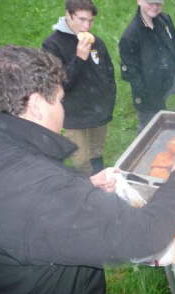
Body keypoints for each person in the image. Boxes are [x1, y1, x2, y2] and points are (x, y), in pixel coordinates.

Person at [0, 45, 175, 294]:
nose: (62, 109)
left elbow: (26, 209)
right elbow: (147, 233)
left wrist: (82, 188)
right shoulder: (40, 189)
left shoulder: (7, 151)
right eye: (58, 99)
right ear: (36, 105)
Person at [42, 0, 116, 175]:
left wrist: (108, 99)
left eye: (90, 21)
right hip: (73, 115)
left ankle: (101, 186)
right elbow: (59, 84)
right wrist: (79, 58)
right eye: (82, 19)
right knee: (81, 161)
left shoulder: (96, 42)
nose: (86, 26)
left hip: (98, 111)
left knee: (97, 153)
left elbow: (108, 73)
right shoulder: (53, 45)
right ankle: (86, 189)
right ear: (68, 15)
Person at [119, 0, 175, 132]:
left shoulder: (164, 19)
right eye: (150, 3)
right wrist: (151, 100)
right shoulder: (130, 36)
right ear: (139, 1)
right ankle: (146, 136)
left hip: (171, 77)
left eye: (159, 3)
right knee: (149, 131)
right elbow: (132, 74)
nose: (155, 7)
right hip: (149, 88)